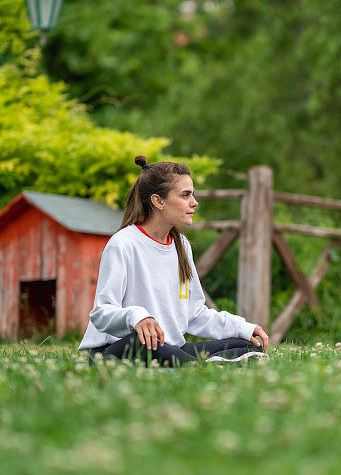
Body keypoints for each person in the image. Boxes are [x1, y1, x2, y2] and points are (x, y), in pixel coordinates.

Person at [78, 156, 270, 367]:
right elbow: (101, 313)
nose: (194, 203)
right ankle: (202, 366)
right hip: (115, 350)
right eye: (185, 195)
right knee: (143, 343)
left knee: (247, 345)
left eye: (193, 195)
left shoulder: (181, 245)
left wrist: (241, 327)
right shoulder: (123, 244)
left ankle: (196, 363)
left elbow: (195, 315)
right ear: (158, 201)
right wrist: (137, 317)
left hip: (169, 349)